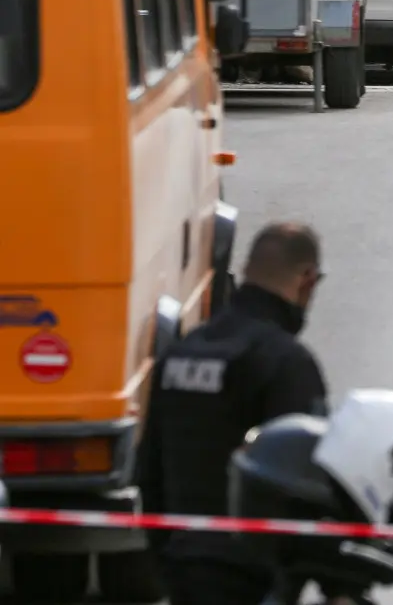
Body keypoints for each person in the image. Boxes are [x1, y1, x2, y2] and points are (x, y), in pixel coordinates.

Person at [137, 222, 331, 605]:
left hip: (183, 562)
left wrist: (167, 558)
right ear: (307, 281)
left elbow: (149, 467)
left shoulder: (183, 352)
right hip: (252, 575)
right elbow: (310, 479)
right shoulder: (285, 361)